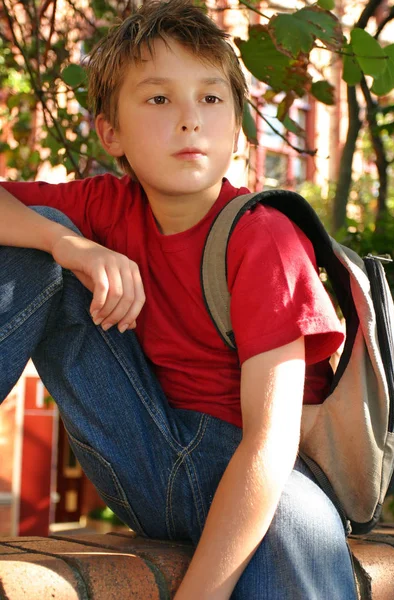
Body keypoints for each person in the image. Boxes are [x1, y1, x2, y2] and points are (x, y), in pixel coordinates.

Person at [0, 1, 358, 597]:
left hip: (259, 468)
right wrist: (69, 245)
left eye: (211, 99)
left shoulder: (264, 237)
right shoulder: (106, 208)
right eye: (159, 99)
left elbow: (269, 445)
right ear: (110, 132)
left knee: (299, 514)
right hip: (144, 452)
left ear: (238, 128)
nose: (190, 120)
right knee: (28, 245)